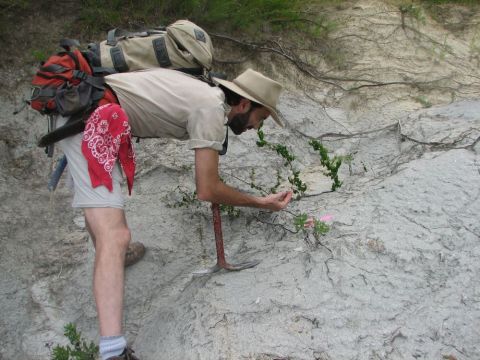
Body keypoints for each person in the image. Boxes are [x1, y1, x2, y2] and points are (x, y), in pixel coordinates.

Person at [57, 67, 293, 360]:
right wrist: (261, 202)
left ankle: (118, 259)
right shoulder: (210, 109)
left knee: (109, 231)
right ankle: (112, 351)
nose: (257, 127)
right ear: (244, 104)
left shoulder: (206, 94)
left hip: (88, 109)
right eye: (261, 118)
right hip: (94, 122)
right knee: (115, 235)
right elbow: (207, 189)